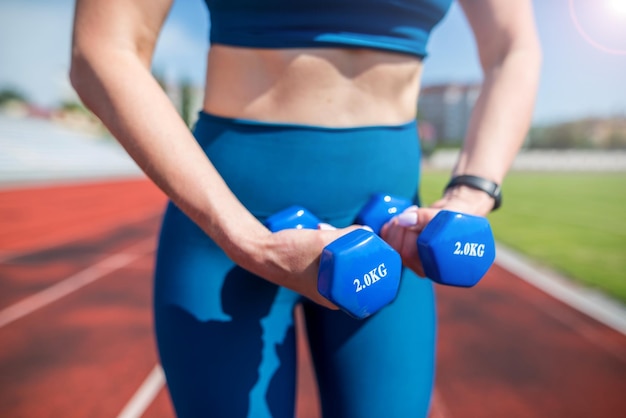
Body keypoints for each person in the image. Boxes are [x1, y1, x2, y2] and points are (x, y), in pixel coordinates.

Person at [70, 0, 541, 416]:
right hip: (228, 229)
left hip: (390, 241)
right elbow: (104, 49)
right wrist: (247, 241)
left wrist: (471, 192)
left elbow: (512, 47)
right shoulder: (237, 234)